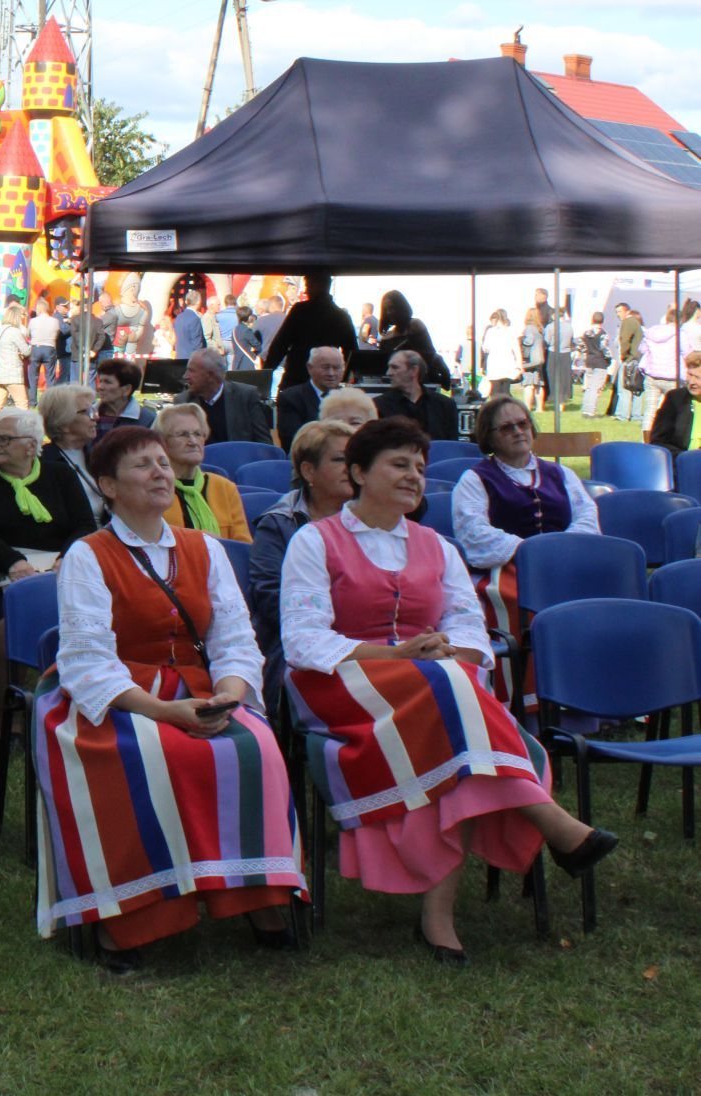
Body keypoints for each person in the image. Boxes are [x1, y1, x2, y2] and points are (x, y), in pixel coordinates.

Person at [282, 417, 616, 960]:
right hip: (343, 684)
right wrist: (398, 656)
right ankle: (549, 819)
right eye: (399, 464)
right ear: (360, 473)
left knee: (457, 719)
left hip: (434, 686)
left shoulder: (436, 544)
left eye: (419, 466)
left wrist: (450, 656)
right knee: (451, 693)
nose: (414, 476)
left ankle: (438, 918)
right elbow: (303, 640)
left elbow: (466, 623)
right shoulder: (313, 541)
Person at [34, 424, 301, 967]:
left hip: (202, 687)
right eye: (142, 465)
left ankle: (252, 892)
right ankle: (134, 913)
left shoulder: (205, 549)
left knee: (255, 749)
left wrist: (228, 697)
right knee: (149, 756)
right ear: (107, 486)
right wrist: (162, 710)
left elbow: (234, 636)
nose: (160, 472)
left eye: (162, 462)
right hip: (117, 692)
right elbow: (87, 656)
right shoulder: (88, 554)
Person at [452, 395, 600, 717]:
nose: (518, 431)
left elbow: (587, 515)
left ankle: (591, 700)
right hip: (506, 567)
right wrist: (529, 552)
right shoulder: (476, 479)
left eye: (522, 424)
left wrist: (562, 549)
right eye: (506, 427)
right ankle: (529, 703)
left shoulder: (560, 474)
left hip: (566, 564)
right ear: (489, 436)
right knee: (519, 598)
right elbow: (473, 531)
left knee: (596, 601)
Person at [0, 405, 97, 686]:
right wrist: (13, 563)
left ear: (31, 446)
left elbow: (84, 526)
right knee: (8, 626)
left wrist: (65, 559)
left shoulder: (60, 476)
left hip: (56, 575)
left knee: (88, 618)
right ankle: (10, 718)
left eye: (4, 439)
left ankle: (72, 695)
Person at [246, 418, 354, 709]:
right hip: (297, 641)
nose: (352, 468)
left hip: (366, 639)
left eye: (356, 459)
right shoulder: (279, 523)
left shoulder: (371, 520)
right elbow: (270, 598)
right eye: (340, 459)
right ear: (309, 470)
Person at [156, 404, 252, 541]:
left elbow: (243, 546)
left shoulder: (225, 488)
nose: (193, 441)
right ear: (163, 442)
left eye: (198, 434)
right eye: (183, 434)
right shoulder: (155, 489)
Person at [260, 274, 359, 384]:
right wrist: (343, 380)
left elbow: (280, 345)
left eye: (308, 286)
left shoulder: (300, 311)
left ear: (317, 286)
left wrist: (265, 372)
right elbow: (351, 353)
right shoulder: (342, 316)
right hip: (326, 382)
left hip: (297, 378)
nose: (306, 291)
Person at [38, 381, 104, 526]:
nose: (95, 417)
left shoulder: (99, 456)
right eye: (86, 412)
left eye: (93, 409)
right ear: (63, 424)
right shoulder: (43, 464)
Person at [183, 348, 272, 445]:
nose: (185, 376)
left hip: (240, 459)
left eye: (191, 371)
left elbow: (264, 444)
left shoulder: (245, 396)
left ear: (210, 376)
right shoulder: (184, 402)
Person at [373, 290, 451, 391]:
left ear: (401, 308)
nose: (389, 312)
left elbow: (428, 354)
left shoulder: (414, 326)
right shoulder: (388, 336)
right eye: (387, 309)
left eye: (392, 308)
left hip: (420, 382)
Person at [374, 349, 459, 439]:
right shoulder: (379, 405)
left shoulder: (445, 405)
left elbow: (451, 445)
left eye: (395, 367)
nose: (388, 373)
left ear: (413, 370)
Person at [274, 345, 346, 451]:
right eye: (325, 368)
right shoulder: (291, 398)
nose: (331, 373)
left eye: (337, 368)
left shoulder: (349, 398)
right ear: (309, 368)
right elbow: (293, 441)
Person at [646, 348, 701, 451]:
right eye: (689, 375)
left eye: (697, 377)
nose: (691, 382)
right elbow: (658, 440)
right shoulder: (675, 399)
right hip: (681, 461)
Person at [92, 358, 153, 441]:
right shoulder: (87, 415)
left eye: (107, 382)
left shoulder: (147, 420)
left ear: (127, 389)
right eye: (100, 381)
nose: (100, 387)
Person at [0, 303, 32, 409]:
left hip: (1, 372)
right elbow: (26, 351)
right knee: (22, 403)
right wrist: (32, 345)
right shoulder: (14, 332)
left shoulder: (0, 331)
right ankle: (25, 425)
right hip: (13, 373)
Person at [577, 311, 614, 418]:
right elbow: (604, 348)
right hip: (600, 362)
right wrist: (609, 359)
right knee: (595, 388)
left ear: (592, 320)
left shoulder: (586, 333)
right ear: (602, 321)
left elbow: (580, 346)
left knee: (588, 387)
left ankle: (585, 410)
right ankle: (590, 411)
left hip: (589, 361)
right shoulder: (603, 334)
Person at [480, 309, 521, 399]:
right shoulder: (511, 331)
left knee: (495, 393)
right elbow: (517, 350)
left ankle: (497, 411)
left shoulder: (490, 332)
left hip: (494, 367)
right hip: (508, 366)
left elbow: (485, 348)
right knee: (506, 391)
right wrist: (519, 366)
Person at [517, 309, 548, 413]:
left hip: (531, 360)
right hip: (539, 359)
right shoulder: (540, 329)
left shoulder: (529, 329)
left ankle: (527, 407)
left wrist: (521, 340)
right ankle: (540, 408)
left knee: (528, 384)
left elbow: (529, 341)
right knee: (538, 384)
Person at [172, 291, 207, 360]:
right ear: (198, 302)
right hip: (191, 359)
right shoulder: (195, 318)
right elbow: (197, 343)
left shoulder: (179, 317)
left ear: (186, 301)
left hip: (179, 356)